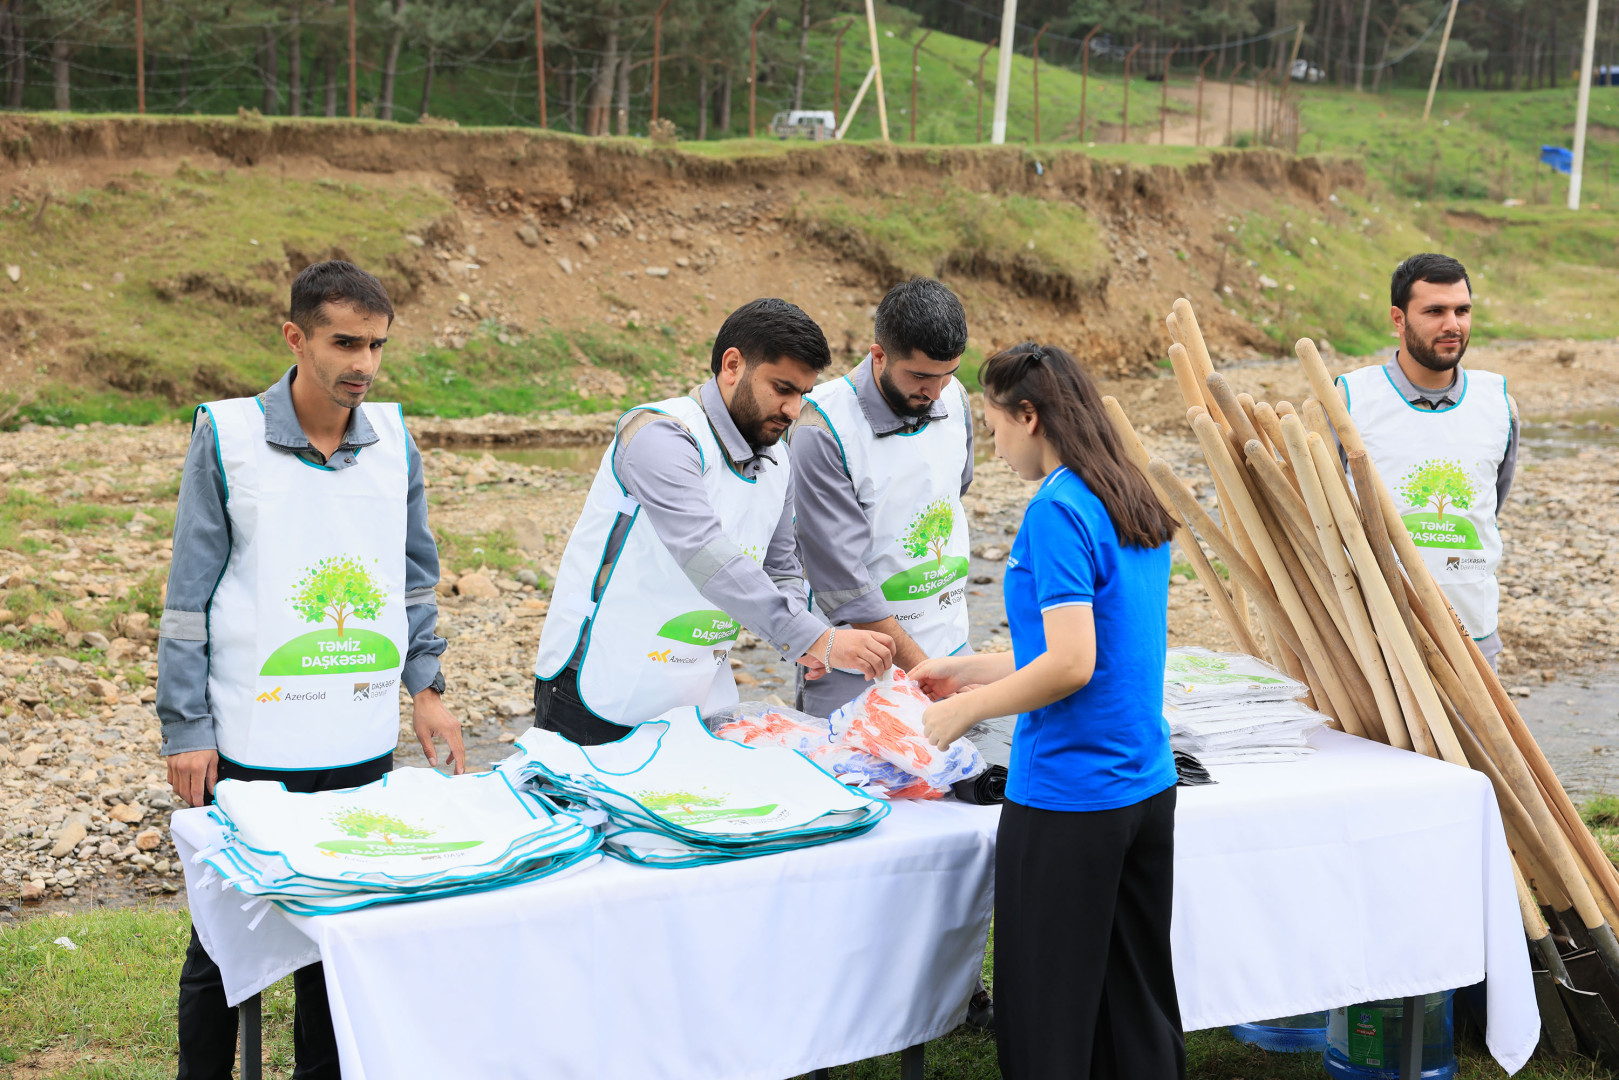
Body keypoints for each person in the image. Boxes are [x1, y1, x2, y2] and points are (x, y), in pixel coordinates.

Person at [157, 260, 464, 1079]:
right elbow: (187, 598)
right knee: (223, 943)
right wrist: (186, 728)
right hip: (252, 744)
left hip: (358, 740)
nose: (363, 362)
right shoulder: (226, 437)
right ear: (295, 337)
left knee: (343, 941)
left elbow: (412, 578)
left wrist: (426, 691)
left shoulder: (395, 441)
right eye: (345, 342)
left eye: (377, 344)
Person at [910, 343, 1182, 1080]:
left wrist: (963, 713)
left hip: (1070, 796)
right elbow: (1097, 648)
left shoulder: (1057, 510)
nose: (992, 445)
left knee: (1047, 1014)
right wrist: (966, 668)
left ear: (1028, 416)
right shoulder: (1125, 491)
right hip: (1144, 786)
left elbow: (1069, 664)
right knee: (1133, 999)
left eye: (991, 423)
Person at [532, 298, 895, 744]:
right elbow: (705, 552)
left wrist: (804, 639)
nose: (793, 410)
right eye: (782, 388)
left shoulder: (778, 458)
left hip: (695, 689)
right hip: (597, 686)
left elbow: (780, 566)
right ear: (732, 365)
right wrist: (812, 637)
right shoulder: (660, 435)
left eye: (803, 394)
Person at [789, 276, 973, 718]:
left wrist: (947, 671)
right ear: (878, 356)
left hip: (951, 646)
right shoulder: (823, 429)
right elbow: (842, 582)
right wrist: (925, 672)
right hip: (858, 670)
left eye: (948, 374)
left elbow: (955, 490)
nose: (935, 392)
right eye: (921, 376)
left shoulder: (956, 399)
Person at [1337, 253, 1519, 670]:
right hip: (1374, 634)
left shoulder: (1497, 404)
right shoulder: (1350, 400)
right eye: (1435, 311)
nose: (1452, 324)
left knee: (1477, 738)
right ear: (1398, 319)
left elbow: (1490, 501)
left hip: (1472, 628)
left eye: (1462, 310)